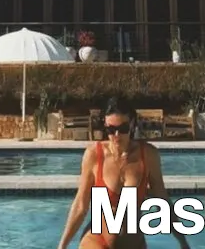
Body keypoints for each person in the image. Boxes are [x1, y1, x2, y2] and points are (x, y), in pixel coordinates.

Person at [56, 95, 191, 249]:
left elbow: (163, 201)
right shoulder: (94, 155)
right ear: (105, 126)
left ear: (132, 124)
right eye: (111, 129)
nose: (117, 135)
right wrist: (62, 246)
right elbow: (81, 205)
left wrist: (183, 242)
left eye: (123, 128)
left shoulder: (148, 155)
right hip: (97, 240)